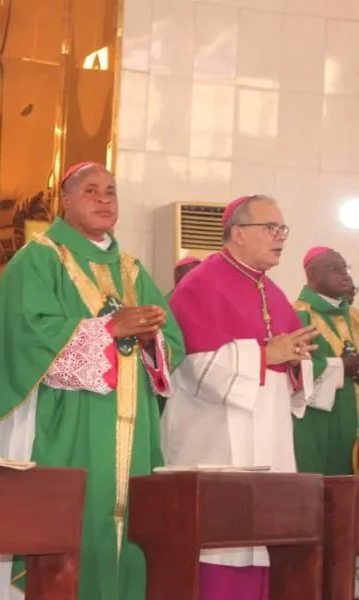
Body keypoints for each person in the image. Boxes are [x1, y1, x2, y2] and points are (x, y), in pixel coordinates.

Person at [0, 162, 184, 600]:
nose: (104, 198)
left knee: (129, 532)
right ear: (66, 200)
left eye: (111, 191)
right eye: (91, 190)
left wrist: (152, 338)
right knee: (68, 531)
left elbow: (172, 342)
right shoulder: (38, 260)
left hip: (130, 434)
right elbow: (28, 340)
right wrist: (112, 329)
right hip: (63, 424)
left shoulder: (131, 270)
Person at [162, 194, 317, 600]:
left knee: (263, 545)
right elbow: (197, 368)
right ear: (238, 233)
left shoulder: (273, 291)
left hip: (268, 437)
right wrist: (270, 354)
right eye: (271, 228)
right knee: (221, 547)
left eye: (283, 229)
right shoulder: (201, 285)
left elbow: (289, 361)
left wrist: (296, 361)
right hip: (215, 439)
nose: (280, 237)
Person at [292, 247, 358, 475]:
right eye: (334, 268)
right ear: (313, 275)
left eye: (346, 268)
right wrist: (341, 368)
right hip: (322, 425)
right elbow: (295, 377)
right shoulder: (297, 316)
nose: (345, 274)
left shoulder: (354, 316)